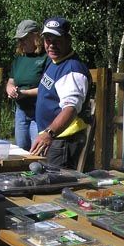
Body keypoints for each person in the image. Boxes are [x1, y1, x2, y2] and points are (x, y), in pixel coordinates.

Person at [30, 17, 92, 169]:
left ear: (68, 40)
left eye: (56, 40)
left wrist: (49, 134)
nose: (51, 45)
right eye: (47, 40)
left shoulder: (71, 69)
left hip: (63, 141)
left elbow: (70, 108)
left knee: (56, 189)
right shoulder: (55, 62)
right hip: (53, 138)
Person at [6, 20, 47, 151]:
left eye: (25, 39)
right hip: (21, 112)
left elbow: (47, 88)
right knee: (20, 149)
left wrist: (23, 93)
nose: (21, 43)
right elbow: (11, 81)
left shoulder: (46, 58)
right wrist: (10, 89)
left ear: (36, 37)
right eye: (19, 40)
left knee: (37, 152)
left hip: (38, 113)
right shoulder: (19, 59)